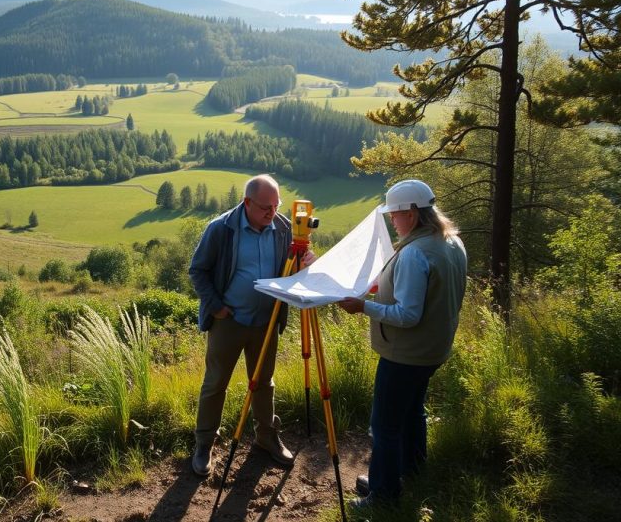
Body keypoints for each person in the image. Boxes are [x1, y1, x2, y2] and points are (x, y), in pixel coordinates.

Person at [336, 179, 467, 507]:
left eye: (394, 214)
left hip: (406, 354)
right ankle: (409, 470)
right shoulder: (451, 243)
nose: (391, 220)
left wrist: (362, 306)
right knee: (411, 412)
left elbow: (408, 314)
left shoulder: (414, 253)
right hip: (433, 349)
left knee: (384, 425)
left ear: (411, 213)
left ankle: (383, 493)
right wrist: (374, 290)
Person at [188, 174, 315, 476]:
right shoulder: (221, 229)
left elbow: (290, 271)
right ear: (247, 203)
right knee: (215, 383)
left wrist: (304, 263)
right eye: (265, 208)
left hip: (267, 322)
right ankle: (205, 444)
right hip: (229, 321)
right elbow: (198, 271)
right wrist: (216, 307)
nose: (272, 213)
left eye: (276, 205)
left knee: (263, 383)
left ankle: (266, 438)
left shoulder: (284, 228)